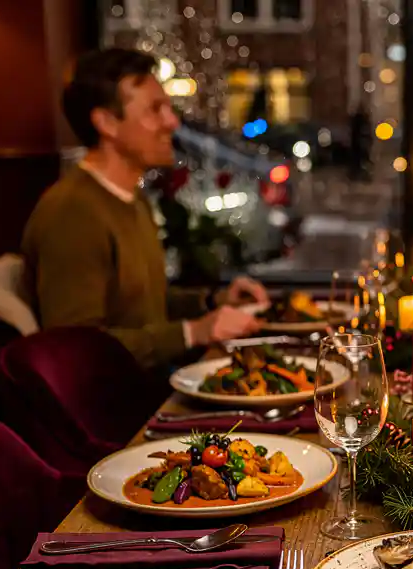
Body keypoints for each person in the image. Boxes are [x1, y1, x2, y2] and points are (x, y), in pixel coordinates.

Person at [22, 48, 267, 371]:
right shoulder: (71, 213)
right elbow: (75, 352)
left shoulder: (131, 198)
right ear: (106, 122)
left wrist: (212, 302)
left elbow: (142, 310)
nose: (173, 121)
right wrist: (192, 333)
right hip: (116, 413)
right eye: (155, 109)